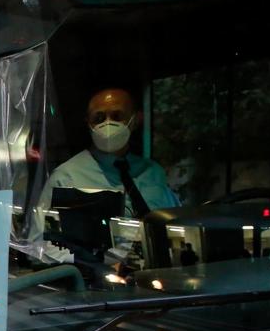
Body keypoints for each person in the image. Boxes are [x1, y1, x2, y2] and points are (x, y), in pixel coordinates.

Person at [27, 87, 180, 260]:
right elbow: (37, 245)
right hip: (99, 278)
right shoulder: (66, 177)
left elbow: (176, 224)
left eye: (117, 116)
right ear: (88, 123)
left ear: (136, 119)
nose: (107, 124)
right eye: (98, 118)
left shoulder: (153, 173)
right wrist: (94, 263)